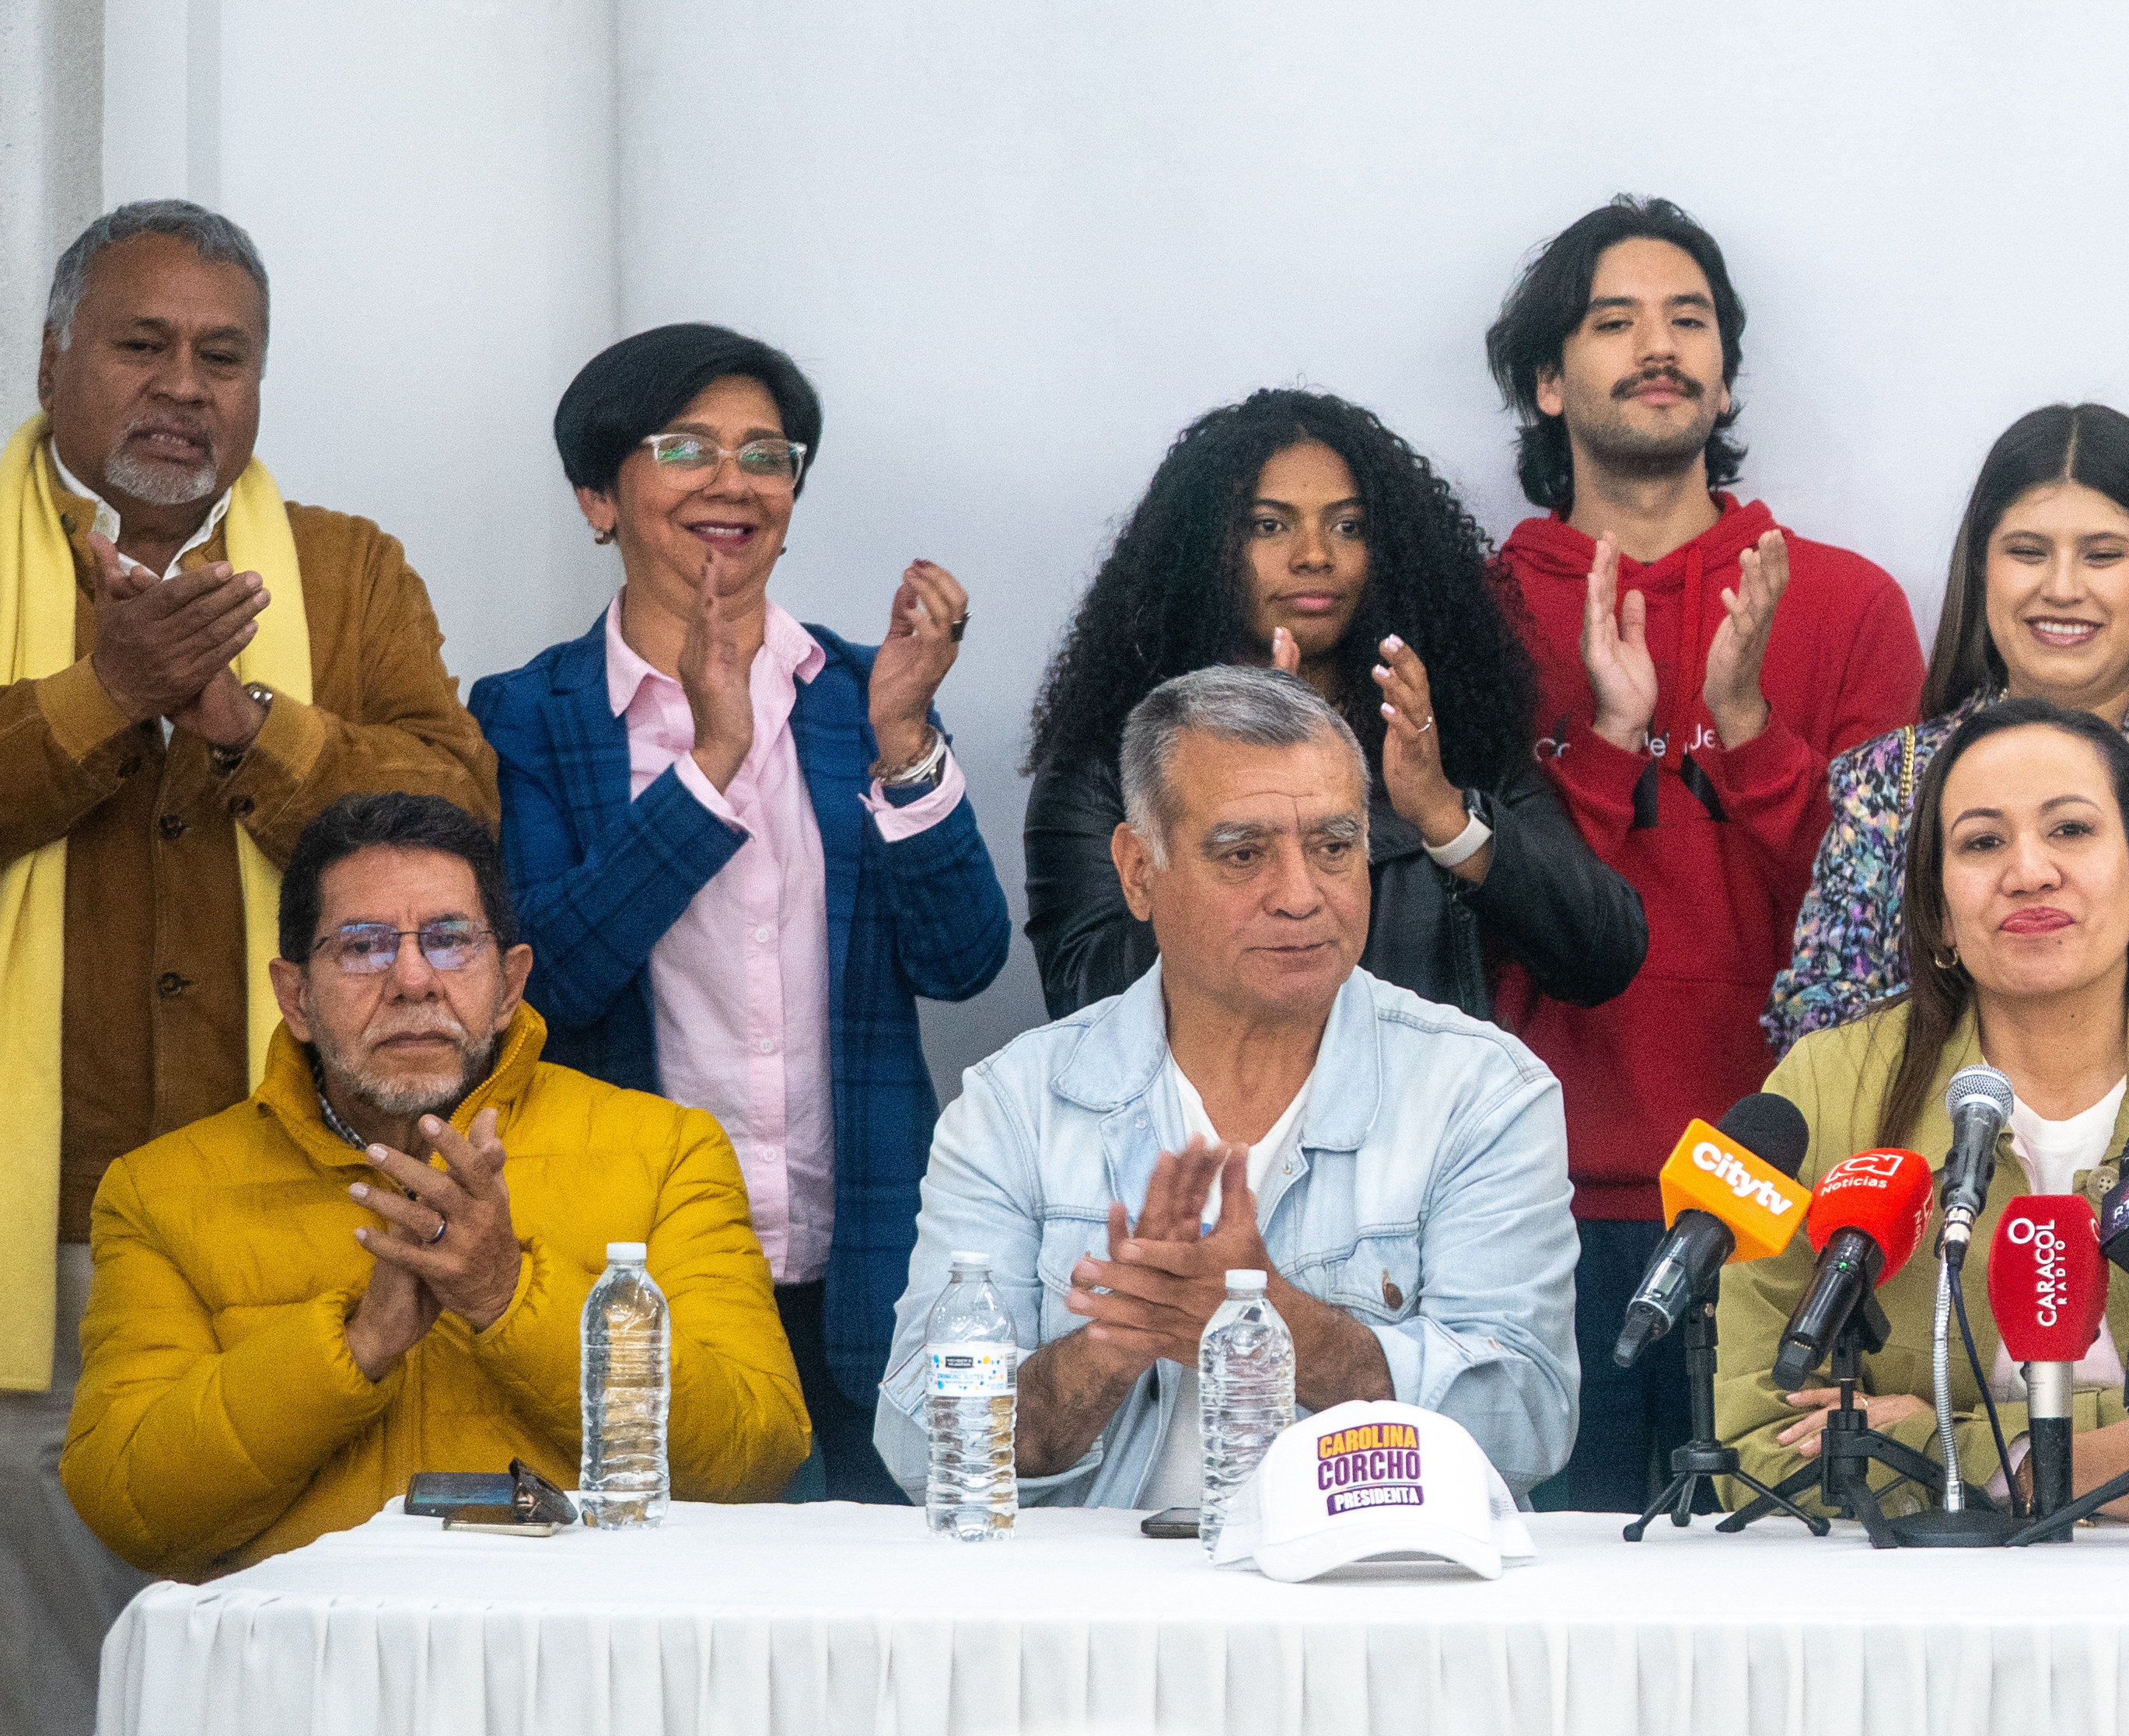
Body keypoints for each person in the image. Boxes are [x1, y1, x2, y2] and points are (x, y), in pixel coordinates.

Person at [0, 203, 491, 1731]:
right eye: (142, 343)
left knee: (292, 1664)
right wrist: (102, 696)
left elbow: (453, 816)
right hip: (29, 1228)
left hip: (294, 1210)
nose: (184, 384)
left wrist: (244, 717)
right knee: (52, 1670)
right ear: (53, 352)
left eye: (225, 354)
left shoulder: (342, 575)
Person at [468, 324, 1011, 1502]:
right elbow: (546, 976)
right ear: (597, 496)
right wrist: (710, 768)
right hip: (638, 1276)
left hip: (864, 1260)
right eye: (685, 446)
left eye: (767, 452)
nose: (733, 480)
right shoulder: (527, 713)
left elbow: (966, 959)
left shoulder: (864, 695)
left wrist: (907, 743)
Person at [63, 791, 806, 1574]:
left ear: (510, 983)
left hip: (580, 1658)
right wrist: (357, 1345)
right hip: (302, 1666)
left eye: (450, 940)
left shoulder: (665, 1152)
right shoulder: (156, 1191)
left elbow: (755, 1456)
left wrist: (508, 1295)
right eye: (361, 945)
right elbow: (129, 1503)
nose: (413, 978)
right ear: (295, 996)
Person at [884, 667, 1579, 1500]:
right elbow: (921, 1444)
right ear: (1139, 870)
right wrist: (1112, 1343)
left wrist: (1275, 1322)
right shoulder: (1017, 1105)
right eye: (1243, 853)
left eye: (1332, 846)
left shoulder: (1484, 1093)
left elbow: (1529, 1418)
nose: (1299, 895)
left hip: (1363, 1612)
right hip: (1094, 1620)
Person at [1479, 198, 1921, 1508]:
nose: (1656, 347)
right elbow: (1474, 920)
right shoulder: (1474, 612)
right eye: (1612, 321)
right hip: (1529, 1206)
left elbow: (1881, 940)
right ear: (1548, 379)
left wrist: (1745, 733)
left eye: (1688, 319)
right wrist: (1605, 753)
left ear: (1724, 367)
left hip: (1791, 1213)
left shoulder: (1843, 601)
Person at [1715, 699, 2129, 1518]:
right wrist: (2046, 1464)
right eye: (1981, 841)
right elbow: (1754, 1442)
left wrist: (1945, 1442)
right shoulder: (1825, 1092)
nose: (2030, 870)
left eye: (2070, 829)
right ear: (1935, 909)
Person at [1023, 390, 1640, 1029]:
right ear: (1206, 546)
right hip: (1197, 1129)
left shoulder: (1439, 734)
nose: (1315, 553)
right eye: (1270, 525)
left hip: (1416, 1125)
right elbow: (1083, 1001)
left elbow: (1603, 954)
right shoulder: (1104, 756)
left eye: (1348, 526)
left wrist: (1443, 814)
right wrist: (1239, 789)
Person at [1767, 401, 2129, 1060]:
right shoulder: (1890, 780)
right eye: (2028, 552)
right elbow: (1815, 1022)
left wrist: (2094, 1098)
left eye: (2102, 555)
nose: (2062, 588)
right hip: (1943, 1151)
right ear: (1983, 568)